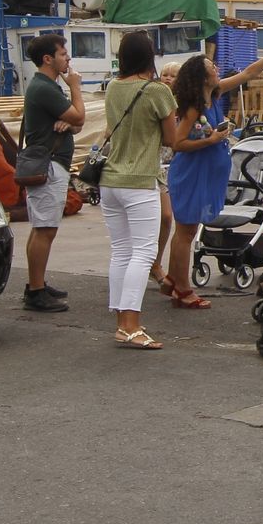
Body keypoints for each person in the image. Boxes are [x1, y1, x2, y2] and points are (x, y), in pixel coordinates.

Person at [163, 43, 263, 308]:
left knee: (186, 231)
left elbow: (248, 73)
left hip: (205, 173)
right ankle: (183, 290)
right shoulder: (193, 107)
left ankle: (172, 281)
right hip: (192, 174)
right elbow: (176, 143)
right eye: (212, 67)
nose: (217, 68)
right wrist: (212, 139)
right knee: (186, 232)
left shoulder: (214, 95)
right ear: (202, 77)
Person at [100, 31, 179, 349]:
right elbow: (171, 140)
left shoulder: (113, 87)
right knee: (144, 253)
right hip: (140, 181)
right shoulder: (158, 91)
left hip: (110, 181)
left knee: (121, 251)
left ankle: (122, 321)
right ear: (150, 56)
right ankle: (131, 325)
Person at [19, 34, 86, 312]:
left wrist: (68, 125)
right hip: (49, 165)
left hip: (50, 163)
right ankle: (35, 291)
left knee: (42, 228)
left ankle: (37, 284)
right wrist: (76, 86)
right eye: (62, 54)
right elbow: (81, 117)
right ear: (48, 59)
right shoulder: (45, 88)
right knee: (45, 229)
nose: (67, 58)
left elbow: (75, 124)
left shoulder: (45, 87)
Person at [148, 60, 182, 287]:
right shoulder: (156, 100)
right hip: (155, 165)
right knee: (164, 216)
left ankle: (157, 262)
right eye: (164, 74)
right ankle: (154, 264)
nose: (168, 78)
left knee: (170, 220)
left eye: (173, 75)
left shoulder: (184, 105)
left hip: (176, 167)